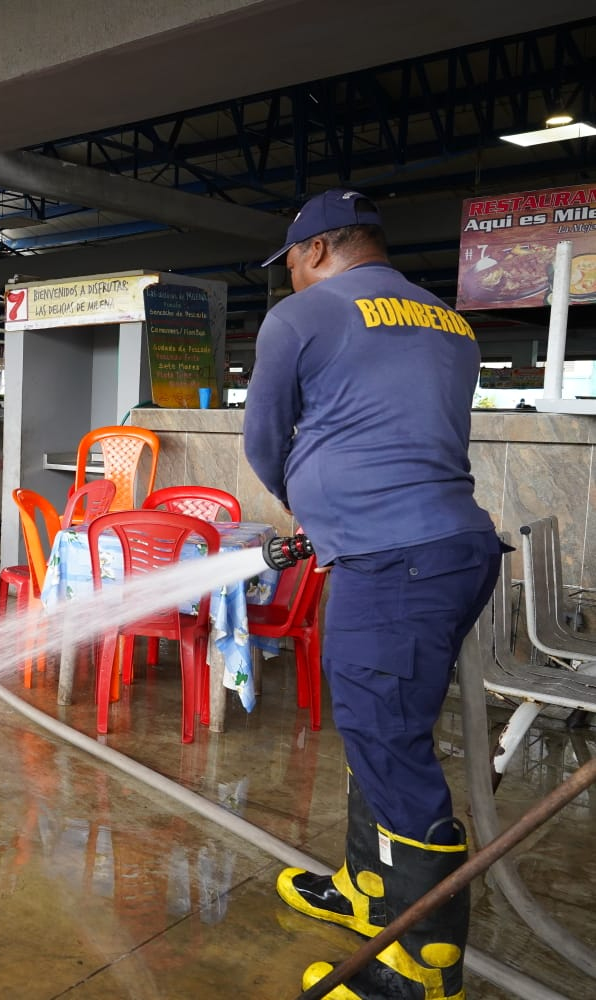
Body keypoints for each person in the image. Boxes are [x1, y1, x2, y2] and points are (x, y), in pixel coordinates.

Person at [243, 189, 504, 1000]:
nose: (290, 279)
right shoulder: (448, 320)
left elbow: (263, 438)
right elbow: (404, 432)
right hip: (451, 546)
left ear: (316, 250)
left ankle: (424, 963)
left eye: (289, 262)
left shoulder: (305, 315)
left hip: (395, 563)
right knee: (377, 728)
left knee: (388, 743)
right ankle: (371, 895)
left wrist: (313, 502)